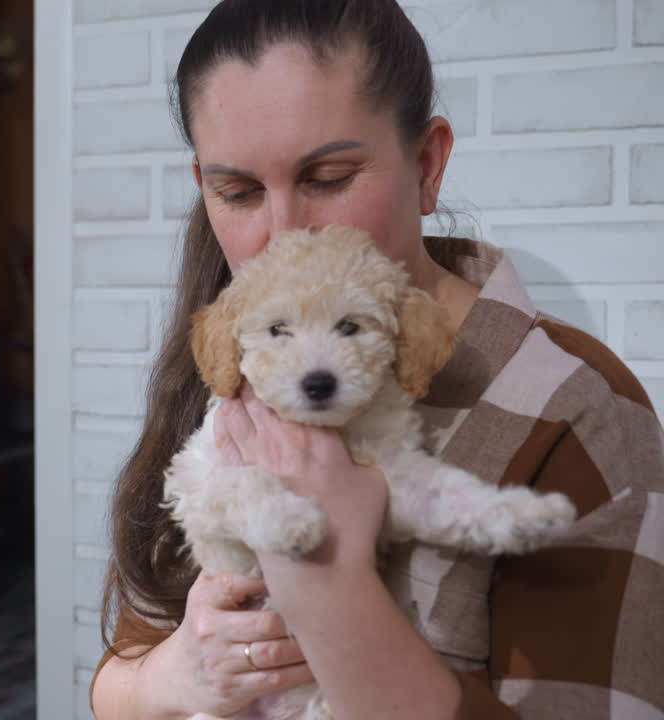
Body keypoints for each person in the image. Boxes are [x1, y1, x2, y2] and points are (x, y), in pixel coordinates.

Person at [88, 1, 664, 718]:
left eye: (328, 177)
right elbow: (120, 676)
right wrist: (176, 677)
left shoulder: (576, 408)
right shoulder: (237, 369)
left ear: (426, 163)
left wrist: (326, 584)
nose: (283, 234)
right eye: (236, 192)